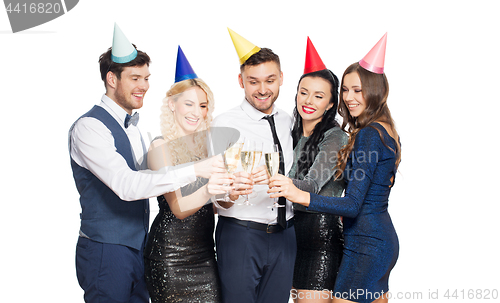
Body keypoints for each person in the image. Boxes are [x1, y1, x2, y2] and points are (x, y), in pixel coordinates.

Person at [69, 25, 227, 303]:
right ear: (112, 79)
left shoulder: (135, 129)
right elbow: (126, 185)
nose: (144, 85)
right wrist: (195, 171)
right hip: (107, 250)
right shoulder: (89, 127)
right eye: (135, 78)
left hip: (142, 248)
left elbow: (154, 184)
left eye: (146, 77)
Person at [269, 33, 401, 303]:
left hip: (366, 244)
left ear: (376, 91)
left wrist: (298, 195)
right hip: (374, 239)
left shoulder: (368, 135)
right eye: (346, 89)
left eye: (358, 90)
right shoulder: (386, 131)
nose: (349, 97)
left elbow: (353, 205)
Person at [211, 28, 296, 303]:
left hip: (286, 234)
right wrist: (230, 194)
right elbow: (213, 193)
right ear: (241, 81)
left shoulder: (289, 120)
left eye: (270, 80)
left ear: (281, 78)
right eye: (253, 81)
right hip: (241, 234)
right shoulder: (224, 123)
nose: (262, 90)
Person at [143, 46, 225, 302]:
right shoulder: (160, 147)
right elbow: (178, 208)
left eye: (202, 105)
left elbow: (214, 206)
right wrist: (210, 188)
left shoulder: (208, 146)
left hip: (204, 254)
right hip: (170, 257)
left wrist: (230, 192)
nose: (197, 112)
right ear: (172, 104)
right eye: (188, 103)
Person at [286, 38, 347, 302]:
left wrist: (268, 180)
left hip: (320, 237)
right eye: (303, 92)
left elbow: (310, 187)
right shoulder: (289, 133)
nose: (308, 101)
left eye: (319, 96)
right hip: (290, 237)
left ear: (330, 104)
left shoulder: (335, 138)